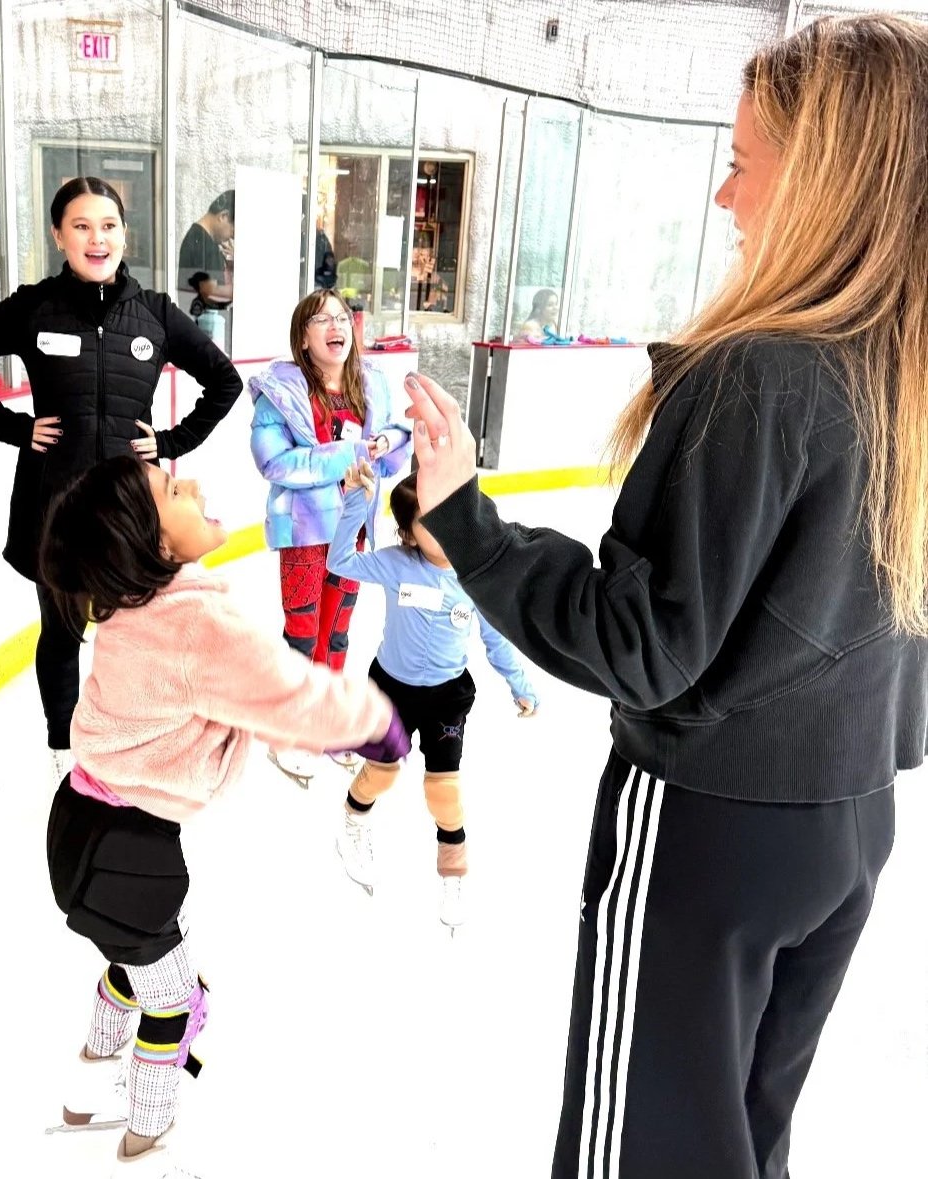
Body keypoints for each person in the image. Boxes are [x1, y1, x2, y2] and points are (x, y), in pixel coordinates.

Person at [402, 14, 928, 1176]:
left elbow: (646, 646)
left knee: (633, 1155)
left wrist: (470, 526)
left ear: (826, 185)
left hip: (710, 830)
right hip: (847, 827)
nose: (725, 198)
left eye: (743, 163)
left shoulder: (766, 373)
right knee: (741, 1140)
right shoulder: (901, 370)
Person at [37, 454, 408, 1174]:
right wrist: (374, 722)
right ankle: (148, 1132)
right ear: (151, 544)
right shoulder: (192, 625)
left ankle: (85, 1089)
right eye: (173, 491)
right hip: (130, 857)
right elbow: (291, 694)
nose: (196, 487)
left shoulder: (129, 604)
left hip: (80, 827)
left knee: (136, 963)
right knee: (174, 1001)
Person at [0, 177, 243, 784]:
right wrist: (11, 428)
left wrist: (172, 442)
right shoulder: (34, 307)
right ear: (58, 235)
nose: (96, 238)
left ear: (124, 233)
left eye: (108, 226)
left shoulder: (155, 313)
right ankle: (63, 751)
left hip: (134, 510)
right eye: (81, 226)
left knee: (143, 628)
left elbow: (224, 382)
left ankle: (141, 740)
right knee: (62, 632)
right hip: (57, 506)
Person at [327, 462, 538, 928]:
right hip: (391, 690)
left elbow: (495, 637)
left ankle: (452, 871)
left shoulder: (473, 575)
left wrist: (519, 685)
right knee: (380, 775)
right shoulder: (394, 563)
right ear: (407, 534)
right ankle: (353, 821)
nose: (442, 529)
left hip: (446, 696)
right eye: (428, 523)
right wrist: (355, 503)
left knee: (442, 791)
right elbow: (338, 562)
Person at [249, 289, 412, 786]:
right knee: (303, 630)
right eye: (320, 319)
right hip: (304, 532)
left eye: (341, 317)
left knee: (338, 630)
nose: (334, 325)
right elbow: (273, 461)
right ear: (304, 336)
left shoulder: (373, 386)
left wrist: (386, 443)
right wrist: (348, 455)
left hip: (354, 528)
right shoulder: (280, 391)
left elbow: (394, 440)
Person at [177, 189, 235, 313]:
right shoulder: (204, 243)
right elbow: (210, 291)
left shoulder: (199, 237)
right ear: (223, 216)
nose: (230, 238)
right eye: (232, 231)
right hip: (203, 322)